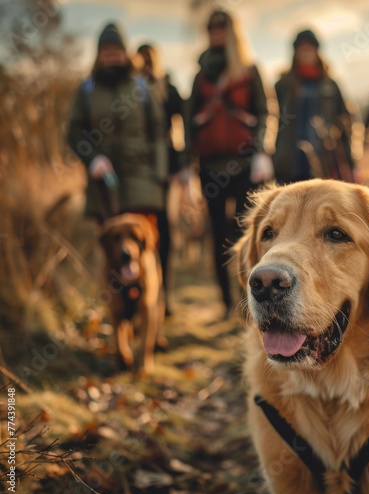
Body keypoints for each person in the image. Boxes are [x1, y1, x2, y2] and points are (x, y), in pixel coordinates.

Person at [185, 9, 270, 317]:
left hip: (245, 165)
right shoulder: (200, 76)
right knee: (218, 234)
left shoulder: (249, 71)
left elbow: (263, 112)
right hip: (209, 166)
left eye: (221, 29)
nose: (216, 34)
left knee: (246, 234)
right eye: (212, 29)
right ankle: (226, 302)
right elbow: (188, 120)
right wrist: (186, 163)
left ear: (232, 32)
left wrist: (260, 151)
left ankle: (250, 301)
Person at [67, 23, 167, 224]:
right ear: (98, 55)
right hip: (103, 185)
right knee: (112, 246)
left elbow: (159, 132)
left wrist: (160, 175)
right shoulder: (86, 90)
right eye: (106, 51)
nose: (112, 56)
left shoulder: (142, 88)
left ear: (125, 53)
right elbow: (74, 132)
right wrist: (93, 158)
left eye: (116, 51)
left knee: (142, 244)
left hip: (142, 180)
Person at [136, 43, 185, 316]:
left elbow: (181, 124)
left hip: (165, 174)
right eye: (139, 60)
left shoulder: (169, 89)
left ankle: (164, 298)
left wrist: (182, 166)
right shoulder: (129, 91)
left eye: (148, 60)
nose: (144, 65)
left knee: (165, 234)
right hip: (136, 173)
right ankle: (142, 297)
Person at [273, 29, 355, 184]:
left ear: (317, 52)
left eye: (309, 49)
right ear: (295, 53)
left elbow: (344, 122)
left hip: (323, 162)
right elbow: (272, 120)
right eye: (302, 49)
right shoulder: (282, 85)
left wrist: (350, 162)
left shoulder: (330, 86)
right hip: (288, 164)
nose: (306, 53)